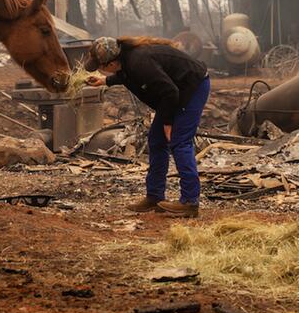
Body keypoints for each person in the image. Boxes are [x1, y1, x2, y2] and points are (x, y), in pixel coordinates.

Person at [84, 36, 210, 218]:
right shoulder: (127, 59)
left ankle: (190, 202)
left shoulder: (139, 62)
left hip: (192, 86)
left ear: (111, 63)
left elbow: (170, 91)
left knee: (179, 142)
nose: (101, 70)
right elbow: (127, 75)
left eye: (101, 67)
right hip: (175, 92)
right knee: (157, 141)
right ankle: (154, 197)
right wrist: (105, 81)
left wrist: (168, 122)